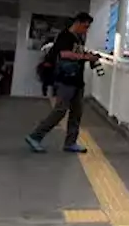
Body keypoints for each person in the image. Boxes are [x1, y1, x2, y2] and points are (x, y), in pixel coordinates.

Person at [25, 12, 97, 153]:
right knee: (60, 111)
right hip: (65, 80)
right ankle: (35, 136)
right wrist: (84, 57)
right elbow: (64, 54)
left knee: (77, 113)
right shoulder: (65, 36)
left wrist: (88, 57)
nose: (86, 29)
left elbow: (76, 53)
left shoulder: (79, 38)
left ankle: (70, 142)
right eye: (85, 26)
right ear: (77, 23)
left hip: (77, 80)